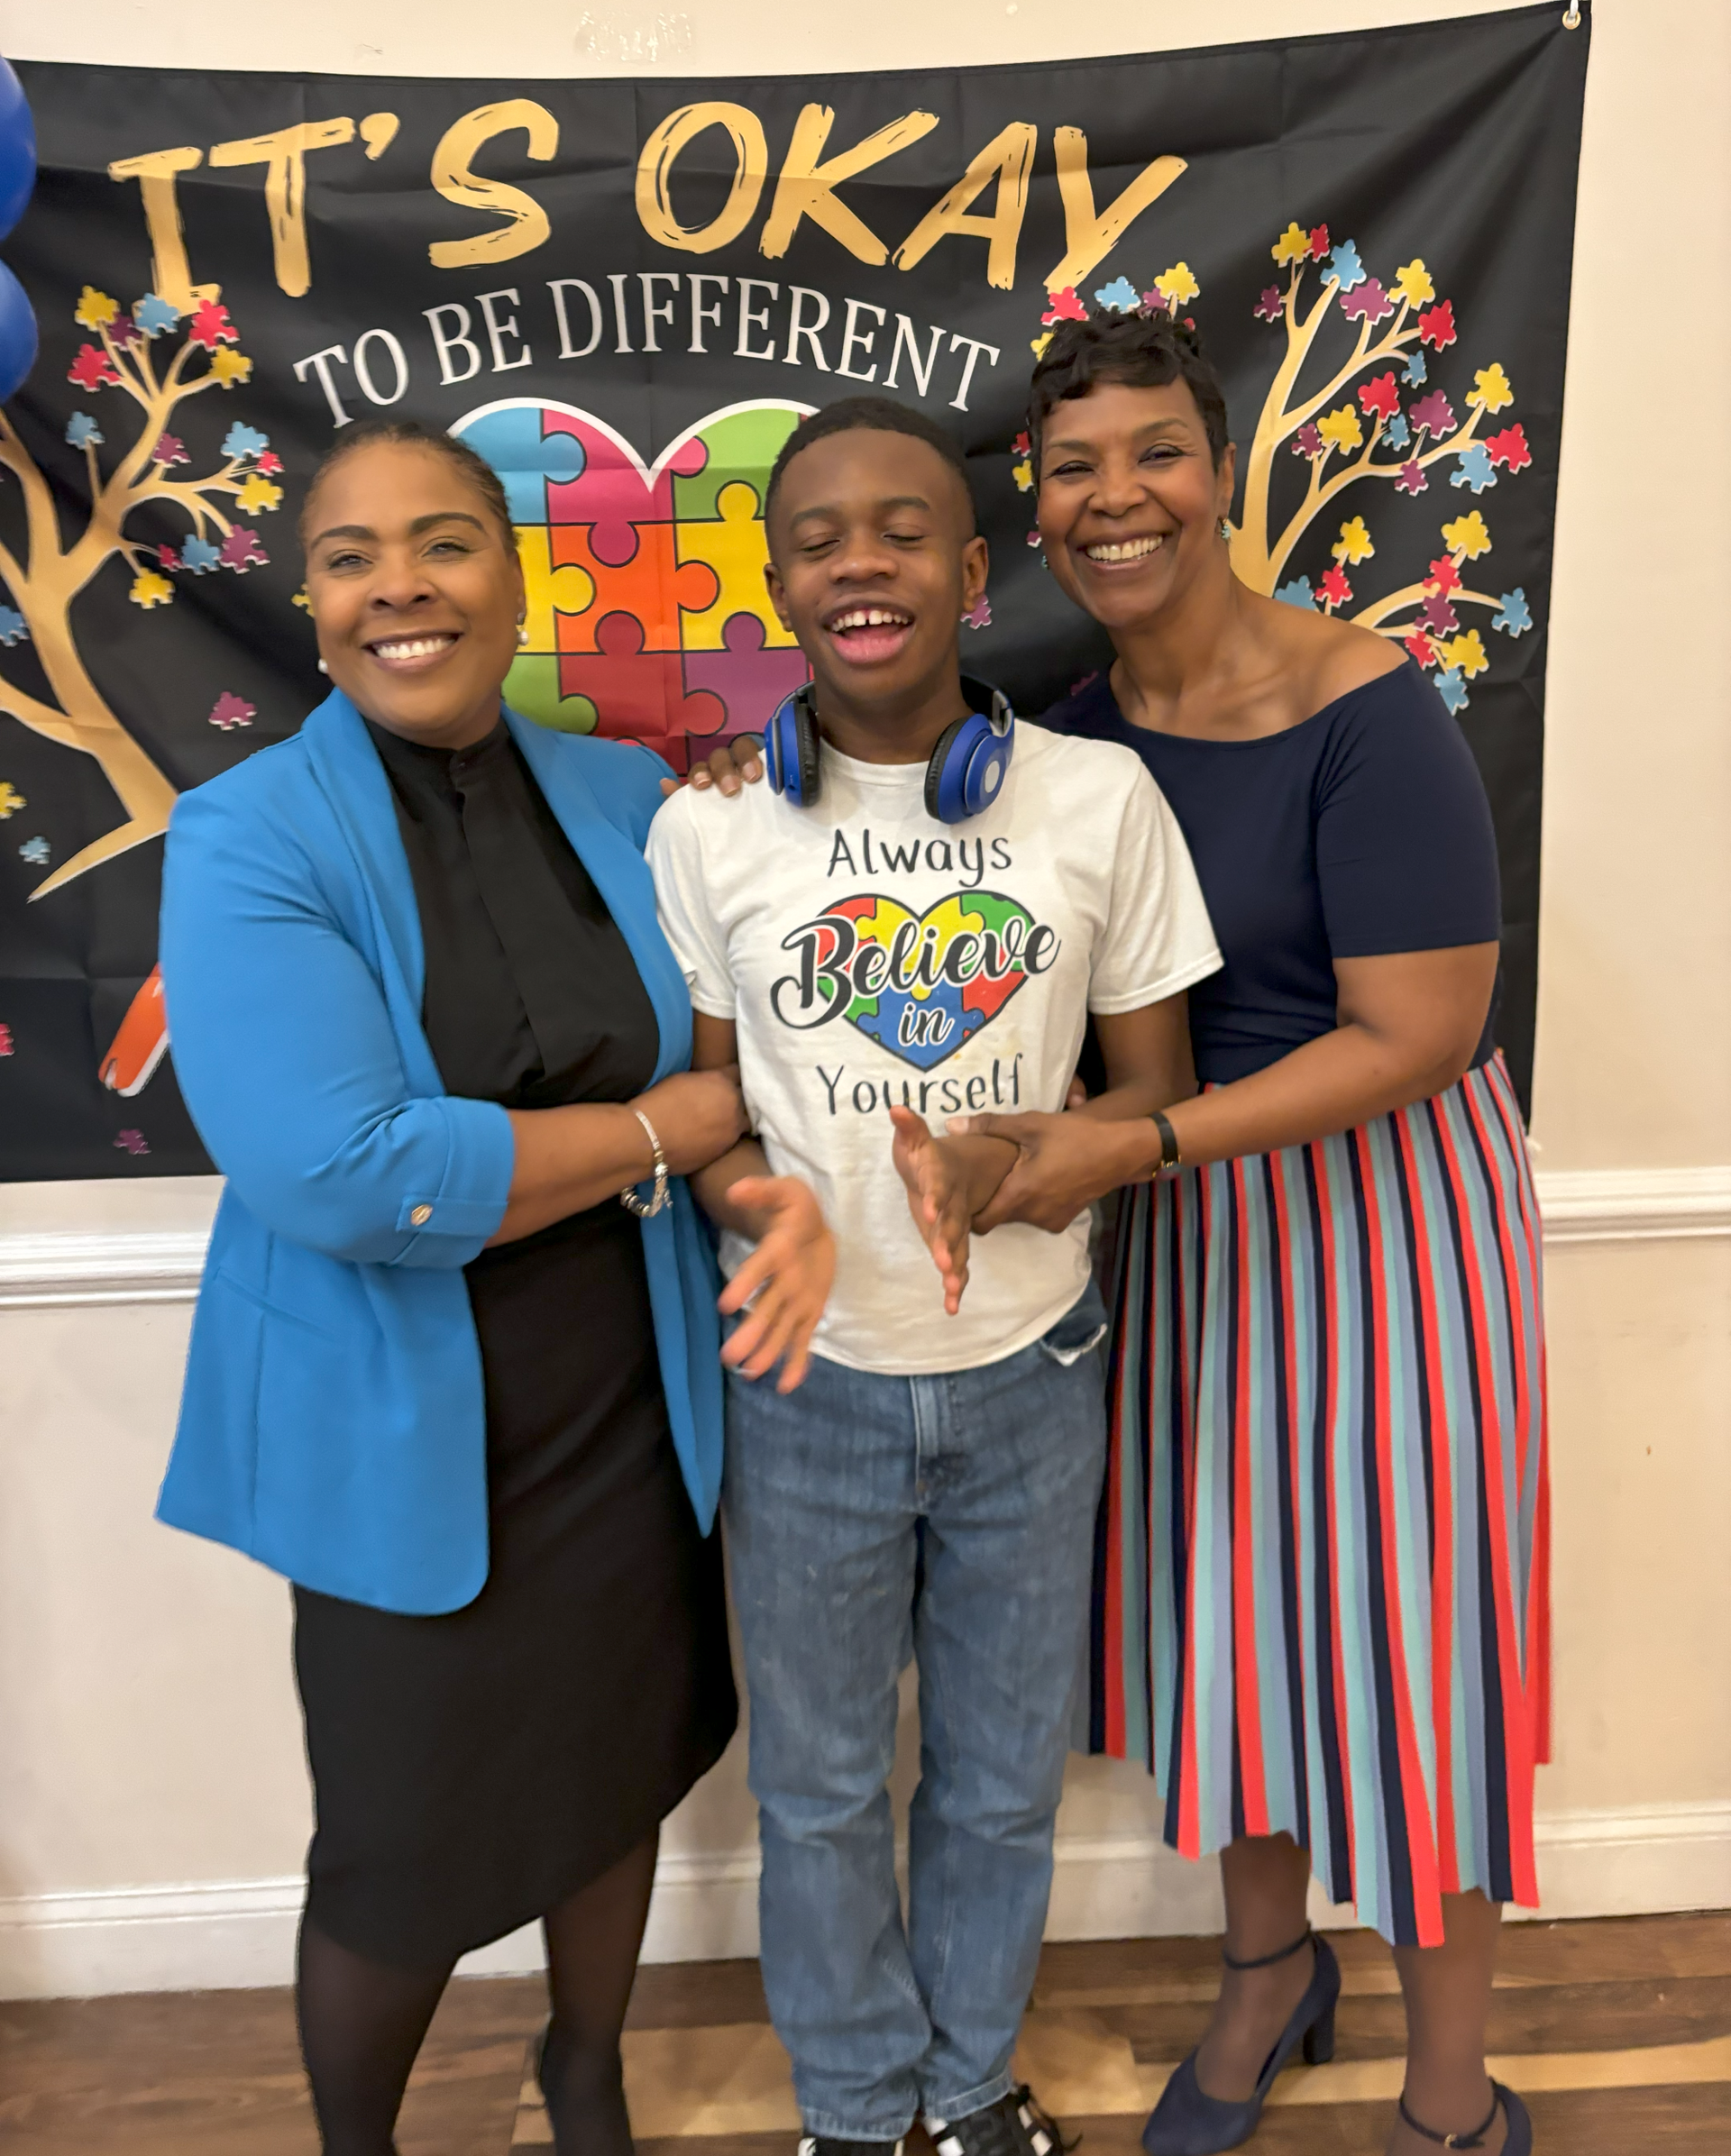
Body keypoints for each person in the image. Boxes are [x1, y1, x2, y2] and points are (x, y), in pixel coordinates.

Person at [946, 311, 1545, 2156]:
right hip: (1184, 1235)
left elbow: (1420, 1031)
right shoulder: (1054, 734)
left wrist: (1136, 1143)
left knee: (1417, 1641)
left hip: (1397, 1225)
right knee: (1228, 1621)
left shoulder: (1371, 709)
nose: (1116, 495)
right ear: (1039, 510)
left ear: (1222, 473)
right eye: (1074, 465)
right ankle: (1270, 1970)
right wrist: (749, 775)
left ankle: (1454, 2075)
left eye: (1153, 454)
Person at [154, 419, 749, 2156]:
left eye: (443, 544)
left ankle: (586, 2067)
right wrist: (665, 1120)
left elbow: (734, 1033)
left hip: (630, 1394)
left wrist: (722, 1158)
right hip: (396, 1418)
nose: (399, 588)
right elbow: (354, 1172)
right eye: (351, 557)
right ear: (312, 600)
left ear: (515, 572)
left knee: (616, 1765)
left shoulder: (631, 797)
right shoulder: (246, 834)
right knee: (397, 1857)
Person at [646, 396, 1223, 2156]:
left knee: (992, 1785)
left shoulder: (1098, 797)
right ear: (778, 579)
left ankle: (968, 2090)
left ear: (973, 573)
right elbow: (706, 1112)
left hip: (1031, 1373)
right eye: (819, 536)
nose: (861, 561)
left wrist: (1024, 1157)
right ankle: (848, 2103)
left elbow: (1162, 1093)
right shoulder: (710, 827)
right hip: (807, 1379)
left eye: (903, 528)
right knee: (818, 1792)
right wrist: (770, 1205)